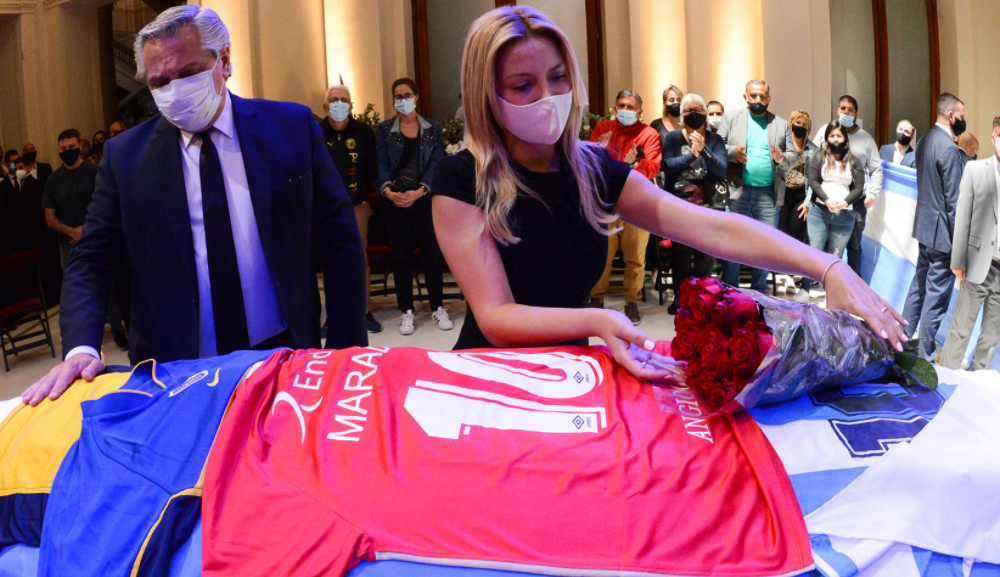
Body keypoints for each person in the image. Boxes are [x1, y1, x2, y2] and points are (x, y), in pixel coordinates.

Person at [430, 5, 907, 378]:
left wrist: (827, 267)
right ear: (486, 94)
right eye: (522, 86)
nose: (548, 96)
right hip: (491, 376)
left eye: (557, 78)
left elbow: (711, 228)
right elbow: (496, 316)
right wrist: (595, 321)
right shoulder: (461, 180)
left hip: (572, 374)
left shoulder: (591, 168)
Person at [22, 5, 367, 406]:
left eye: (187, 73)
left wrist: (344, 352)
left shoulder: (289, 129)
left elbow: (340, 242)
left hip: (284, 352)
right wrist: (81, 346)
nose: (174, 90)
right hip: (176, 368)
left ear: (224, 60)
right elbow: (90, 259)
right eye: (159, 82)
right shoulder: (126, 158)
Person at [375, 77, 450, 336]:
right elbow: (382, 163)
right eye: (398, 96)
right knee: (401, 256)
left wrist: (419, 191)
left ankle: (437, 307)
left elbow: (437, 162)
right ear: (393, 100)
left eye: (407, 95)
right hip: (394, 201)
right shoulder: (385, 129)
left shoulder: (432, 128)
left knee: (431, 255)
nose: (403, 100)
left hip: (424, 199)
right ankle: (406, 310)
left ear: (416, 97)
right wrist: (388, 191)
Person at [901, 92, 968, 361]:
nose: (963, 120)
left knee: (918, 288)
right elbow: (955, 202)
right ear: (951, 115)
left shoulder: (925, 140)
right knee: (936, 299)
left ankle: (900, 344)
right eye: (962, 115)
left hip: (925, 227)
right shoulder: (948, 148)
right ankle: (924, 357)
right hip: (944, 236)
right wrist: (961, 246)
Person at [586, 89, 662, 325]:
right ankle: (596, 300)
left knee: (635, 259)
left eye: (631, 107)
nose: (626, 110)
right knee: (601, 256)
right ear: (615, 108)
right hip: (605, 203)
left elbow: (653, 167)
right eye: (622, 106)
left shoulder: (649, 134)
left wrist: (635, 163)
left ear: (640, 111)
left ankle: (632, 302)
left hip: (636, 205)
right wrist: (599, 150)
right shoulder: (603, 129)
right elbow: (586, 161)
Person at [717, 79, 799, 291]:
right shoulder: (731, 118)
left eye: (762, 96)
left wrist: (782, 159)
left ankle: (759, 293)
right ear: (746, 97)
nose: (758, 99)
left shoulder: (780, 124)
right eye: (753, 95)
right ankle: (730, 291)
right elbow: (717, 147)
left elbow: (794, 157)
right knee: (733, 243)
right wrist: (733, 152)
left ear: (769, 98)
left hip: (768, 195)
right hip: (738, 191)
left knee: (765, 246)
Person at [321, 83, 382, 333]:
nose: (339, 104)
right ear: (325, 106)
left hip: (357, 205)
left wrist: (367, 196)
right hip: (326, 207)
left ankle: (363, 311)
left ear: (351, 105)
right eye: (334, 100)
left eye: (344, 100)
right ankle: (333, 316)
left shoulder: (364, 132)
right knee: (331, 260)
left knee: (359, 259)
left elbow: (372, 168)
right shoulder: (316, 132)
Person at [940, 116, 1000, 370]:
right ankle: (946, 378)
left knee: (992, 335)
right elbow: (962, 217)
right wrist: (958, 260)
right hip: (978, 262)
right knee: (961, 328)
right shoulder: (975, 170)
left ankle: (977, 380)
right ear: (993, 138)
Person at [659, 93, 727, 314]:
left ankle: (701, 298)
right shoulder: (672, 138)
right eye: (688, 111)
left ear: (705, 114)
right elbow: (667, 165)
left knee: (704, 254)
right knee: (681, 254)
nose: (693, 114)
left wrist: (703, 149)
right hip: (679, 207)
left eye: (698, 110)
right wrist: (691, 155)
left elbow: (721, 169)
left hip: (708, 206)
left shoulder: (715, 139)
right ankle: (681, 297)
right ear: (681, 115)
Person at [812, 95, 882, 278]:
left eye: (851, 110)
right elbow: (812, 162)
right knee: (822, 243)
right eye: (843, 109)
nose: (846, 112)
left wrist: (872, 195)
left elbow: (876, 169)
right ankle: (822, 281)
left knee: (854, 244)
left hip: (855, 202)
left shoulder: (866, 139)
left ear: (856, 114)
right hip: (825, 202)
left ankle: (852, 283)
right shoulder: (825, 131)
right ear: (838, 110)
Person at [806, 121, 864, 276]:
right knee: (814, 254)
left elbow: (859, 188)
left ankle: (830, 286)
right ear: (827, 138)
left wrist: (843, 203)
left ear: (845, 138)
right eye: (832, 136)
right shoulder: (819, 156)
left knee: (835, 257)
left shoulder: (854, 161)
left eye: (839, 135)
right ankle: (807, 286)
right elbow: (813, 180)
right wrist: (827, 200)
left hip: (844, 215)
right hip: (819, 212)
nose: (836, 139)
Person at [41, 129, 99, 269]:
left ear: (79, 146)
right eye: (64, 148)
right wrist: (72, 232)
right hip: (67, 244)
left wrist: (85, 229)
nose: (67, 151)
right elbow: (49, 217)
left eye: (71, 146)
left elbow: (105, 205)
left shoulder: (94, 171)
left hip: (96, 238)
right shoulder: (53, 180)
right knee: (72, 281)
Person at [779, 109, 819, 302]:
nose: (800, 127)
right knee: (781, 232)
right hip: (781, 193)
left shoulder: (813, 149)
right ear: (791, 124)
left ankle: (792, 275)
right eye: (798, 123)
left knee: (797, 234)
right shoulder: (782, 145)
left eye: (804, 125)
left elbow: (814, 179)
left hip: (801, 196)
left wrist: (808, 202)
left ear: (809, 128)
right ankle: (782, 273)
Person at [650, 85, 683, 191]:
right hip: (663, 177)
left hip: (685, 175)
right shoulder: (656, 125)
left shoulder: (688, 125)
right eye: (671, 100)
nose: (676, 103)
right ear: (665, 103)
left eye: (679, 100)